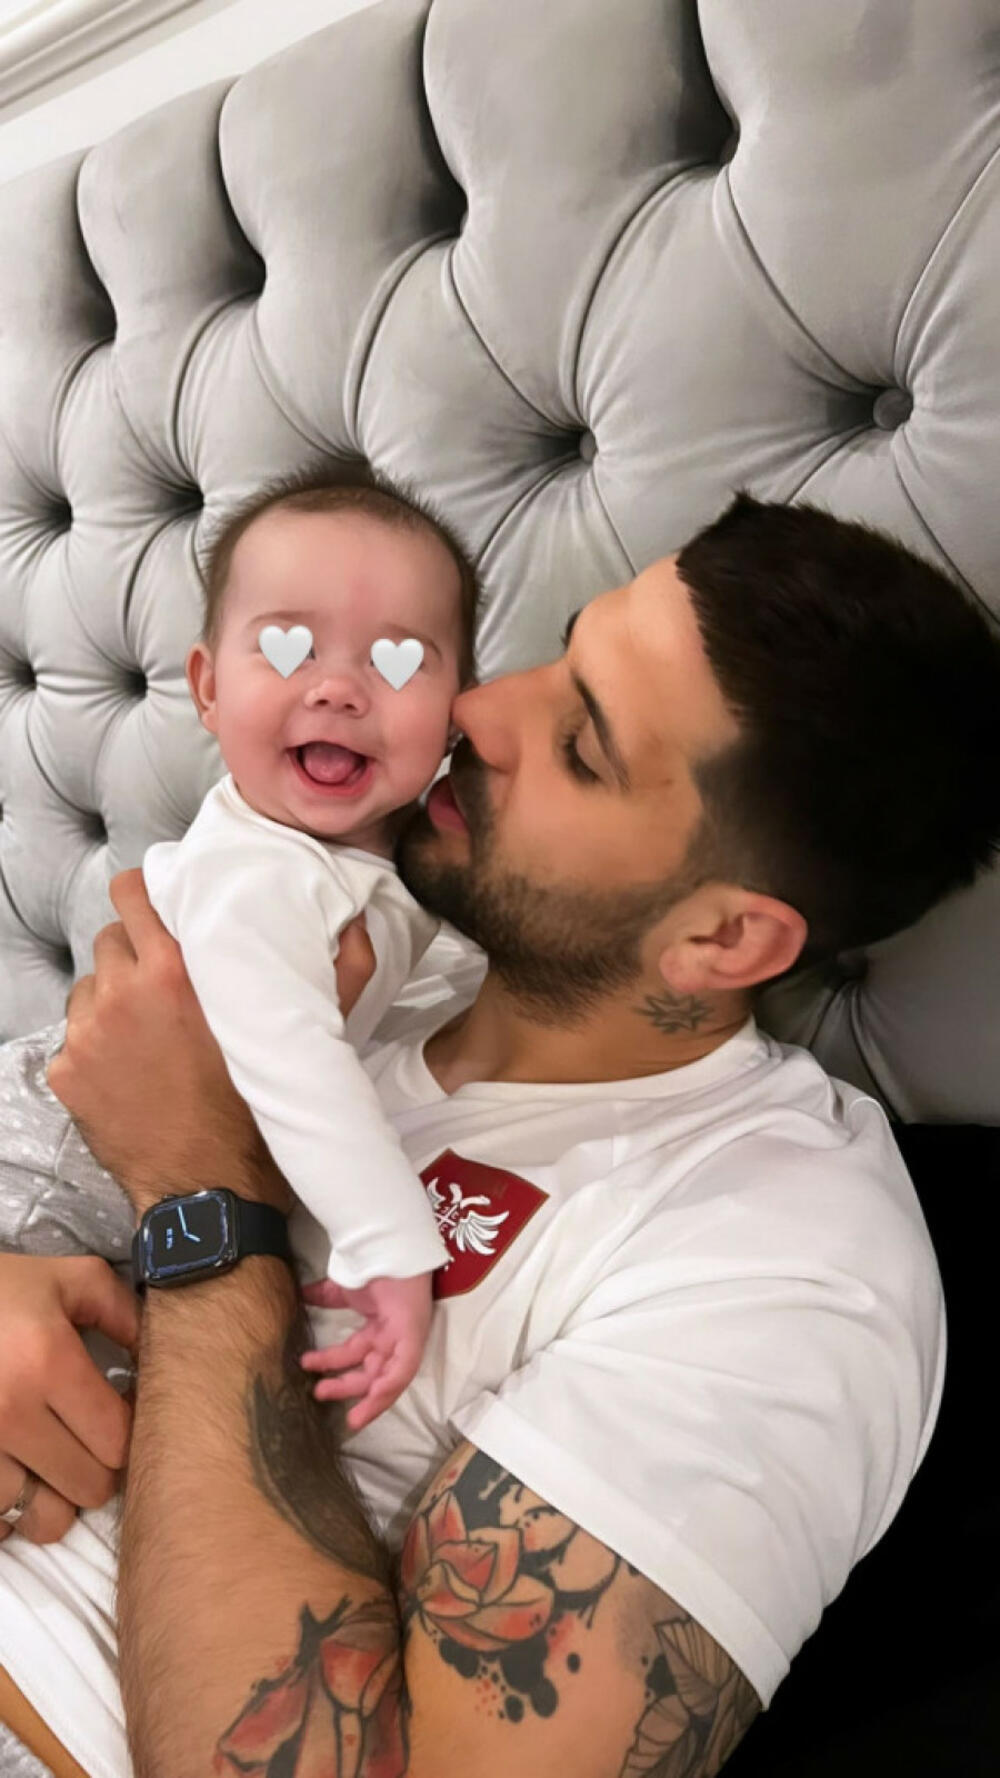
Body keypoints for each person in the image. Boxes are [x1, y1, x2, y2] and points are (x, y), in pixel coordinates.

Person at [2, 494, 1000, 1778]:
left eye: (579, 742)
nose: (476, 708)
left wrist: (199, 1193)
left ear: (722, 937)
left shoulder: (782, 1261)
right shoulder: (380, 956)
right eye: (559, 648)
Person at [0, 460, 485, 1433]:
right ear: (209, 688)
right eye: (287, 648)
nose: (338, 688)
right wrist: (392, 1246)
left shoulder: (384, 859)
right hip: (51, 1157)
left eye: (398, 660)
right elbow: (288, 1052)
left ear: (456, 710)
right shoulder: (260, 872)